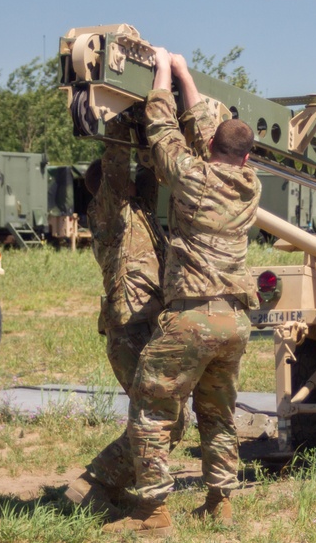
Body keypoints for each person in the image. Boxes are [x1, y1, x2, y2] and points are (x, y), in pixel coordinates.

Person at [103, 48, 261, 536]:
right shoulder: (251, 185)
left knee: (151, 410)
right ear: (247, 156)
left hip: (192, 317)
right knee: (218, 413)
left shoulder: (192, 178)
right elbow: (192, 130)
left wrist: (161, 76)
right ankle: (221, 503)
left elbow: (162, 129)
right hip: (235, 323)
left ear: (210, 144)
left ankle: (152, 513)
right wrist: (187, 75)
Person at [64, 122, 186, 516]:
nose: (133, 180)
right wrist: (117, 123)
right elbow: (117, 165)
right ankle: (94, 484)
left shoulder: (140, 211)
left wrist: (145, 124)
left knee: (170, 418)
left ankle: (108, 487)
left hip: (150, 325)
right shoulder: (108, 209)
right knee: (162, 418)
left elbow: (149, 174)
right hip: (128, 329)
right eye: (125, 180)